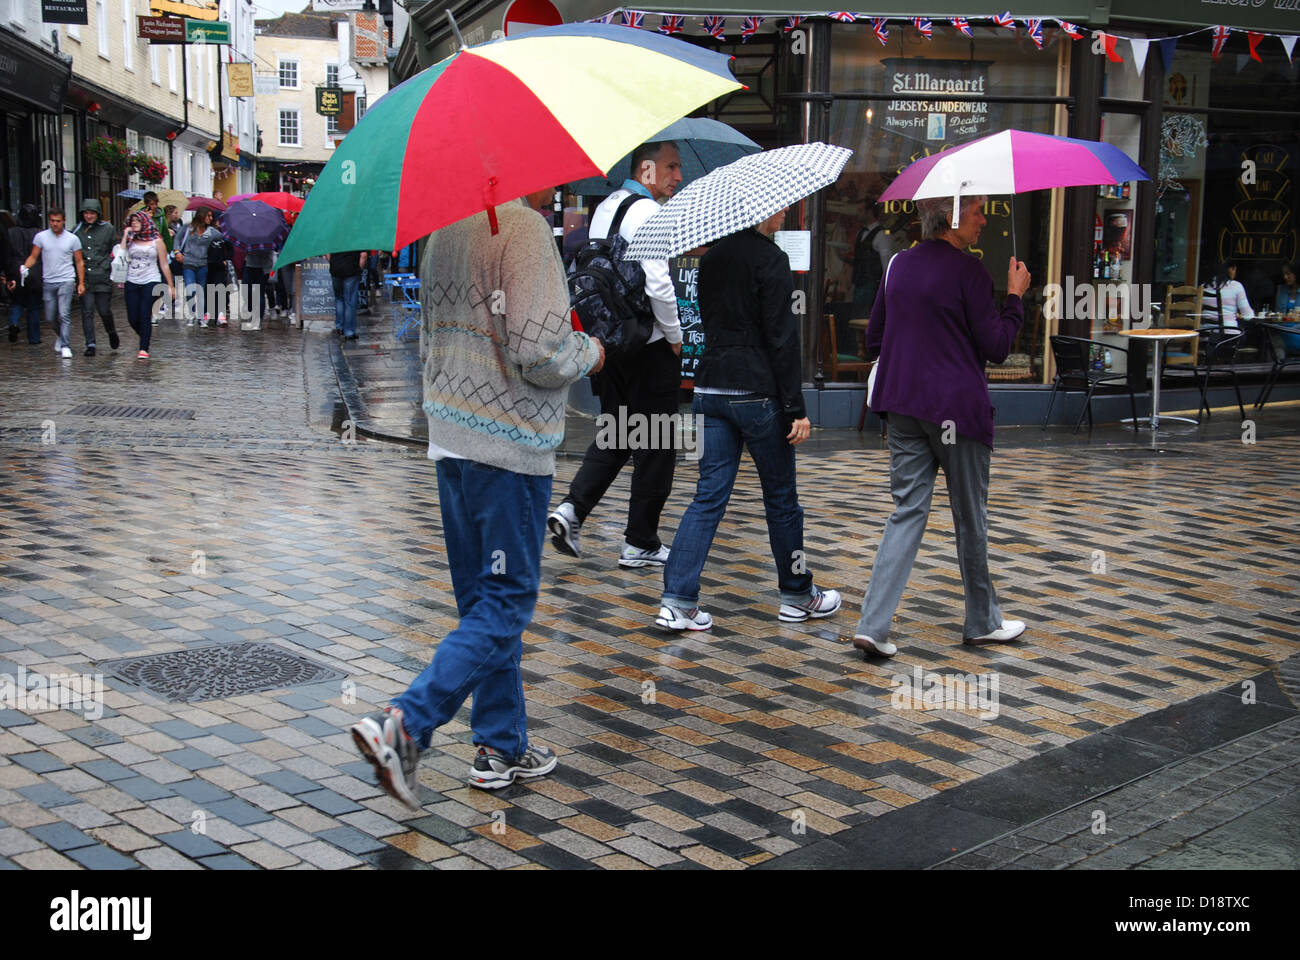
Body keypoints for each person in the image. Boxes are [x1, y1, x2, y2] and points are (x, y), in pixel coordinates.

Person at [348, 187, 603, 806]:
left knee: (482, 606)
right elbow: (539, 351)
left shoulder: (445, 231)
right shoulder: (524, 231)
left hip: (453, 442)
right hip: (508, 447)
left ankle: (500, 745)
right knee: (507, 603)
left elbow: (433, 338)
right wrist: (593, 350)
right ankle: (405, 722)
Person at [852, 194, 1030, 659]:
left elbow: (875, 337)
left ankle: (873, 625)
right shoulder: (969, 271)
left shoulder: (896, 266)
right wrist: (1014, 298)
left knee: (906, 511)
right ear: (951, 215)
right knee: (970, 516)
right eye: (976, 210)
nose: (983, 220)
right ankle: (983, 622)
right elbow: (996, 346)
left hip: (903, 404)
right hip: (956, 409)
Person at [656, 206, 842, 631]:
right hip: (757, 394)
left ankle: (677, 599)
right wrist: (796, 407)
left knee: (707, 497)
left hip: (709, 388)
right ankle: (797, 595)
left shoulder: (712, 258)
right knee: (781, 501)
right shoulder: (771, 259)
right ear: (761, 209)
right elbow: (781, 337)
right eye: (781, 209)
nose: (786, 214)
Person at [548, 141, 685, 569]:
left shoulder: (606, 207)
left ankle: (571, 511)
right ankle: (640, 541)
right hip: (648, 345)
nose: (677, 177)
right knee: (657, 443)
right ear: (645, 169)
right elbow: (659, 284)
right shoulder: (648, 213)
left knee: (619, 433)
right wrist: (676, 336)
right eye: (670, 167)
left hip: (609, 343)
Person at [22, 209, 85, 359]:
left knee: (64, 314)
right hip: (48, 280)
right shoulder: (41, 237)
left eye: (58, 221)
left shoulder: (72, 239)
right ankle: (61, 336)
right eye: (52, 221)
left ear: (63, 221)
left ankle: (65, 345)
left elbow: (79, 261)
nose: (55, 224)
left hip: (66, 279)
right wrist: (25, 267)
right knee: (50, 316)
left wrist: (81, 282)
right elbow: (33, 256)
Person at [120, 211, 174, 359]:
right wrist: (125, 235)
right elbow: (121, 255)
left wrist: (170, 285)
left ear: (144, 222)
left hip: (151, 280)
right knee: (132, 318)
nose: (134, 224)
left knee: (144, 312)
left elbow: (164, 264)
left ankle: (144, 348)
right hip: (131, 280)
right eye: (132, 221)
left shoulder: (156, 240)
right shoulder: (130, 239)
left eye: (137, 221)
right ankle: (145, 334)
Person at [71, 199, 120, 354]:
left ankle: (111, 331)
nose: (89, 216)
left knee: (104, 310)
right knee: (87, 310)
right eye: (86, 213)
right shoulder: (76, 230)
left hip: (102, 276)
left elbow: (115, 250)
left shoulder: (108, 229)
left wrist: (107, 264)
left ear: (98, 213)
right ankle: (90, 344)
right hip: (85, 277)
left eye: (92, 213)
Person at [4, 204, 43, 343]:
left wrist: (9, 275)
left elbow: (7, 256)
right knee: (33, 306)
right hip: (35, 271)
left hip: (16, 269)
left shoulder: (11, 232)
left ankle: (14, 322)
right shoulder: (39, 233)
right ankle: (34, 337)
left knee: (17, 301)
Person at [848, 197, 892, 314]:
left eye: (861, 210)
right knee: (856, 316)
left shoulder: (881, 235)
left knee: (865, 316)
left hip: (872, 285)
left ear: (870, 212)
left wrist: (886, 287)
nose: (858, 213)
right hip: (859, 283)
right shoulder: (860, 233)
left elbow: (886, 263)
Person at [175, 208, 217, 325]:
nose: (210, 218)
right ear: (202, 216)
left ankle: (201, 317)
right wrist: (177, 252)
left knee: (201, 290)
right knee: (190, 289)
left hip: (202, 264)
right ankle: (191, 314)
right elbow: (177, 239)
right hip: (188, 263)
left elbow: (222, 238)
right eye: (208, 216)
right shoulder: (188, 227)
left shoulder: (211, 231)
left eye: (211, 216)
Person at [1201, 261, 1254, 329]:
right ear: (1231, 269)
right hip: (1227, 335)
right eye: (1235, 269)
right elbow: (1248, 316)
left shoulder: (1202, 287)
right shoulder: (1236, 286)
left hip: (1204, 333)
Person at [328, 248, 366, 339]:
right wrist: (359, 269)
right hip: (351, 271)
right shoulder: (357, 236)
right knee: (350, 302)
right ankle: (349, 331)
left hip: (336, 270)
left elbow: (327, 253)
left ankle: (339, 326)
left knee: (339, 299)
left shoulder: (333, 235)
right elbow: (364, 255)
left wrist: (334, 263)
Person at [242, 246, 274, 325]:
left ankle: (258, 319)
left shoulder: (268, 241)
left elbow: (271, 251)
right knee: (246, 291)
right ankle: (251, 310)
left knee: (260, 293)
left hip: (262, 268)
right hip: (249, 266)